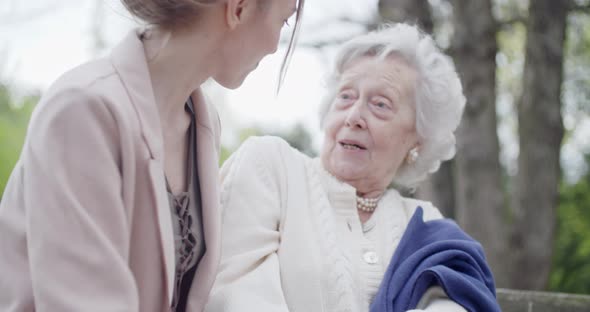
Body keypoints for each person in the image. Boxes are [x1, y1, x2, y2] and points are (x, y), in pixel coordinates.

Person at [0, 0, 304, 311]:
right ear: (238, 8)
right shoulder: (82, 112)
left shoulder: (204, 124)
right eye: (283, 22)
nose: (275, 47)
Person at [205, 23, 499, 312]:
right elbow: (235, 295)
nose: (354, 116)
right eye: (345, 97)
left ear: (417, 138)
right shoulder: (271, 167)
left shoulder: (425, 226)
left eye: (380, 105)